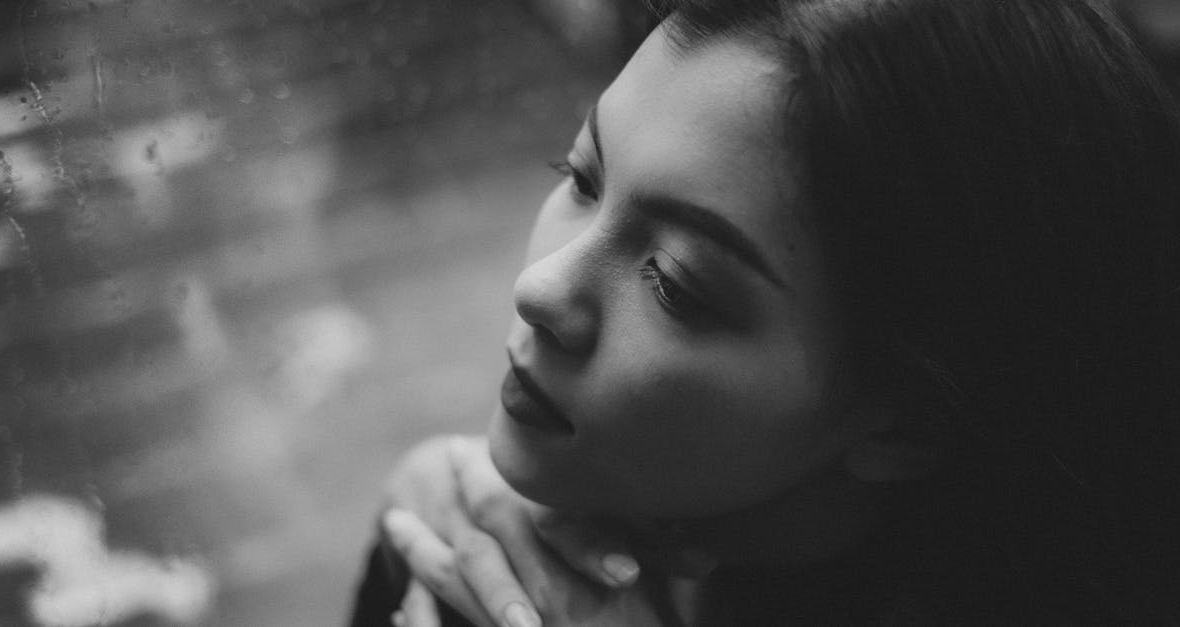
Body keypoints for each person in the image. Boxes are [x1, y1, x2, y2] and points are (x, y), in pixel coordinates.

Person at [351, 0, 1180, 624]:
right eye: (582, 177)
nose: (541, 289)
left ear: (902, 426)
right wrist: (412, 527)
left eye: (674, 283)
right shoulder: (577, 509)